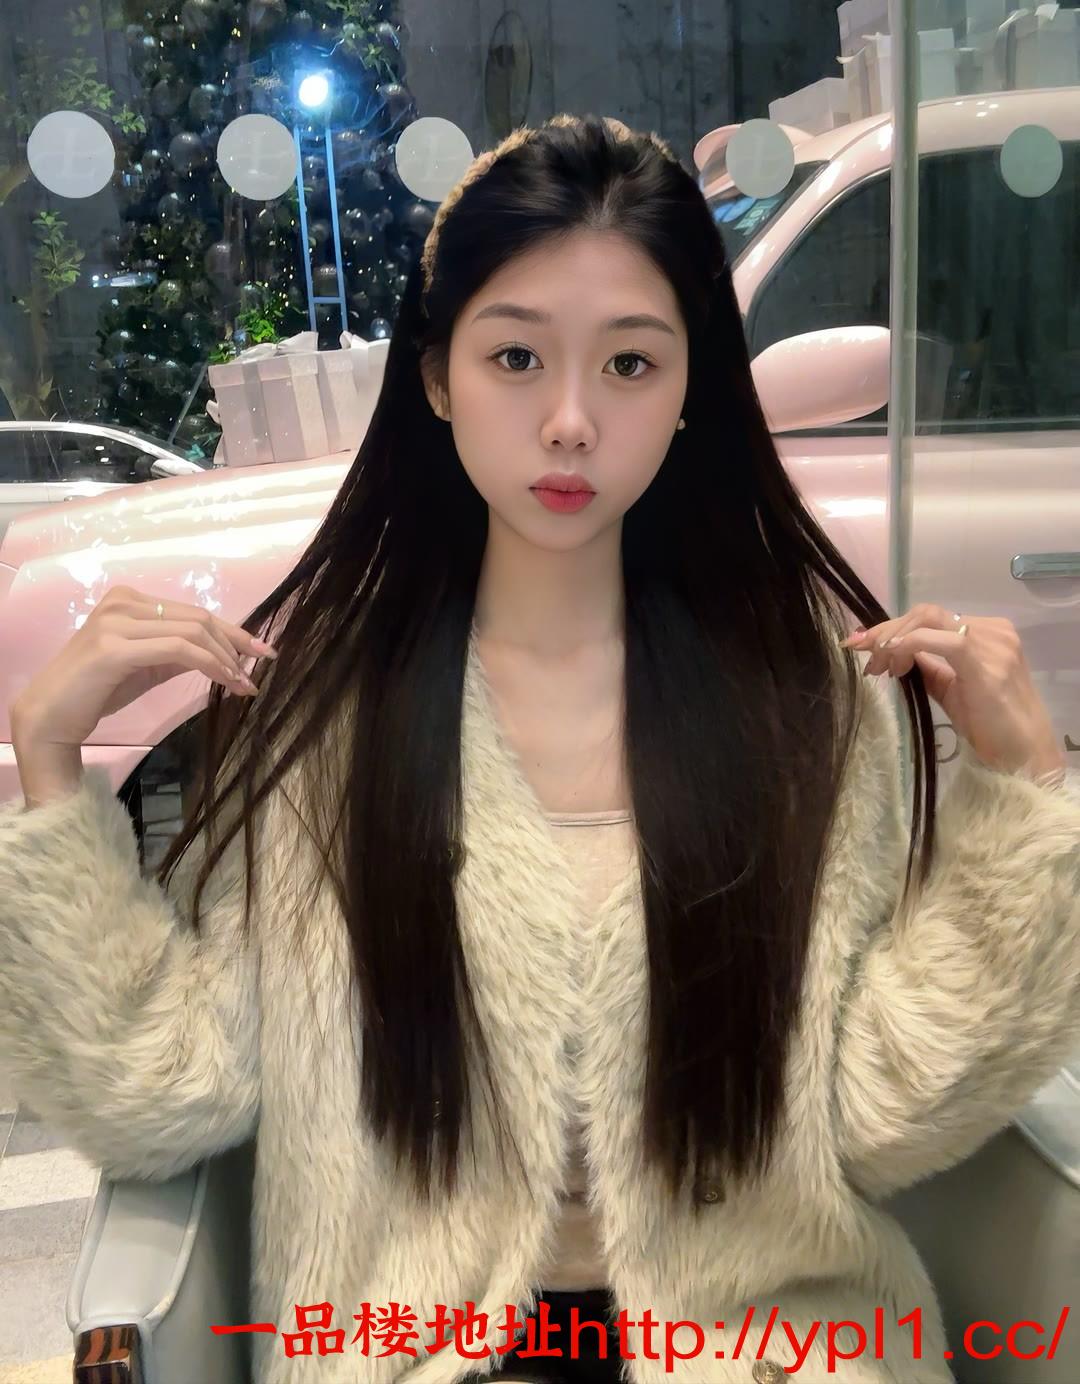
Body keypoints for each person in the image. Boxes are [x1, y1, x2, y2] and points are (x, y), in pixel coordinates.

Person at [2, 113, 1079, 1384]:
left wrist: (1029, 800)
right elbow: (164, 1086)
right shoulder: (327, 724)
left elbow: (876, 1111)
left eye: (631, 364)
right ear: (437, 376)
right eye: (517, 357)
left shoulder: (802, 701)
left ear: (691, 392)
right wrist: (51, 771)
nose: (571, 421)